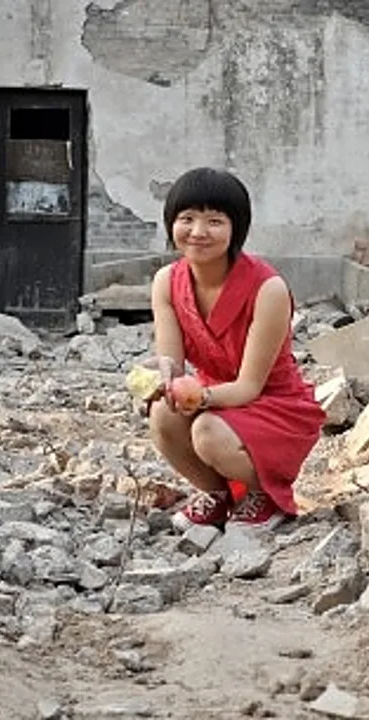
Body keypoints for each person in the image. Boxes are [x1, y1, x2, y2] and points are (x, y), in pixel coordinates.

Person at [147, 166, 326, 529]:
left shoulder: (268, 289)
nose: (198, 232)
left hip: (274, 405)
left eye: (214, 221)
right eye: (187, 218)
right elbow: (172, 363)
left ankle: (264, 495)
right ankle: (217, 494)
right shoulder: (166, 281)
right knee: (162, 415)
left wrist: (200, 398)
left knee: (206, 431)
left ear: (236, 228)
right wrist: (164, 382)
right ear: (171, 223)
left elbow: (249, 386)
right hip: (213, 396)